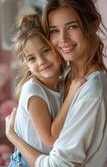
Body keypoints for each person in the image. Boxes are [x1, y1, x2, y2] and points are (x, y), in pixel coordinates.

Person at [5, 0, 107, 167]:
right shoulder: (65, 76)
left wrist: (14, 138)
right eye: (54, 31)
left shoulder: (92, 91)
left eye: (72, 27)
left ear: (93, 24)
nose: (62, 40)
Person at [8, 14, 85, 167]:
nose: (41, 61)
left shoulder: (61, 83)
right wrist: (71, 96)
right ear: (27, 65)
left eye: (45, 51)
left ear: (56, 48)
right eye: (32, 59)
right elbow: (50, 139)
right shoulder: (33, 92)